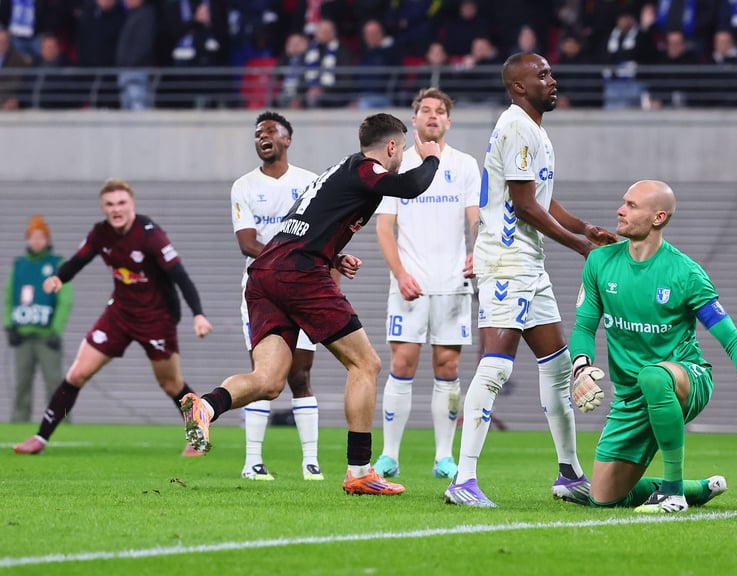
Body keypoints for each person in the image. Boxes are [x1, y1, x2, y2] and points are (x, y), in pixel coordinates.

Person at [180, 113, 442, 497]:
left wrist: (333, 256)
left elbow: (305, 224)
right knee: (365, 363)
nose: (401, 157)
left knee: (270, 382)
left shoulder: (339, 171)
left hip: (266, 272)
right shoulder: (366, 167)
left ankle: (206, 405)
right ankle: (359, 470)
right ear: (392, 147)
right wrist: (432, 157)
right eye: (401, 150)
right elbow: (412, 185)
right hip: (299, 275)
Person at [443, 52, 619, 508]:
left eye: (550, 72)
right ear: (519, 86)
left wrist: (583, 227)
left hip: (528, 262)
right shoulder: (518, 125)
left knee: (558, 368)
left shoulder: (534, 128)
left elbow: (540, 196)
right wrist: (580, 247)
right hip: (505, 260)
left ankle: (569, 473)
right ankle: (463, 480)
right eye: (542, 75)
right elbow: (524, 206)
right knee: (497, 365)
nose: (552, 80)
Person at [568, 180, 737, 513]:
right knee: (604, 498)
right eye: (623, 202)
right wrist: (580, 367)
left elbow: (732, 338)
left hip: (685, 378)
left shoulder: (685, 273)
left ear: (658, 217)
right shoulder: (599, 264)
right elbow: (583, 326)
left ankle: (672, 494)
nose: (619, 210)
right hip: (630, 396)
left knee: (654, 377)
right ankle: (697, 489)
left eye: (632, 205)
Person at [13, 179, 213, 455]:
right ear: (103, 207)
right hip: (119, 313)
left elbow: (180, 276)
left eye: (121, 203)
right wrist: (60, 277)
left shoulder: (151, 235)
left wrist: (198, 315)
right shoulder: (101, 233)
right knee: (77, 373)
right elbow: (79, 259)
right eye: (109, 204)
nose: (116, 209)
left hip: (157, 318)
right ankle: (41, 438)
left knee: (171, 383)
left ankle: (197, 435)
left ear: (131, 205)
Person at [372, 88, 480, 481]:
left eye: (440, 111)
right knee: (401, 363)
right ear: (413, 120)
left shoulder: (465, 165)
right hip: (409, 283)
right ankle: (389, 455)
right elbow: (385, 228)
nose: (432, 116)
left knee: (447, 366)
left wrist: (477, 251)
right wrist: (400, 273)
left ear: (448, 121)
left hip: (453, 284)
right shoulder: (396, 167)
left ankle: (443, 457)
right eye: (425, 111)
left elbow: (475, 218)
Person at [230, 110, 323, 481]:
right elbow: (246, 242)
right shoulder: (243, 186)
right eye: (258, 133)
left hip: (304, 289)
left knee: (300, 374)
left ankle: (311, 462)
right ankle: (253, 461)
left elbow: (323, 234)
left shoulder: (311, 183)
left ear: (287, 139)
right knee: (264, 377)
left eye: (271, 131)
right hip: (262, 290)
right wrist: (292, 257)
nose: (263, 136)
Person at [4, 215, 72, 423]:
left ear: (47, 240)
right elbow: (8, 296)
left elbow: (65, 300)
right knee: (21, 384)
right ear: (27, 239)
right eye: (33, 237)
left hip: (47, 337)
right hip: (23, 336)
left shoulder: (56, 264)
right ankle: (19, 423)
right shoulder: (19, 265)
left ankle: (62, 424)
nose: (37, 241)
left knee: (54, 383)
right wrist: (9, 326)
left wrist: (56, 331)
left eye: (41, 237)